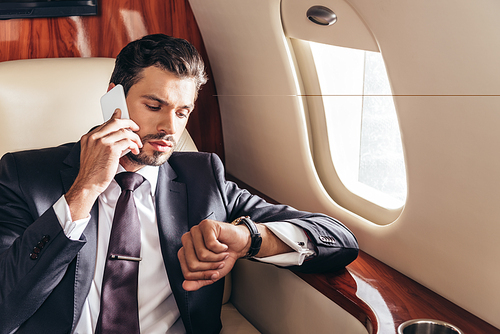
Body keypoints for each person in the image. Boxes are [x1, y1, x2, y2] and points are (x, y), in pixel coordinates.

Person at [0, 34, 358, 334]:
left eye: (182, 112)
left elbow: (338, 239)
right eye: (155, 105)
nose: (171, 128)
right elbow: (6, 303)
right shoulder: (24, 173)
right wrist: (85, 190)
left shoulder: (203, 177)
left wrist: (250, 240)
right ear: (114, 99)